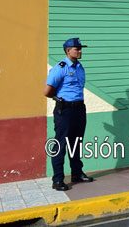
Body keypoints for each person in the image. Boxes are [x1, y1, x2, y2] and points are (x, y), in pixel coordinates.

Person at [44, 37, 94, 191]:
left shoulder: (79, 67)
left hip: (79, 109)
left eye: (80, 49)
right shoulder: (61, 67)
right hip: (65, 110)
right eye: (77, 49)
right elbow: (47, 91)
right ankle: (58, 179)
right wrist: (60, 100)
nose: (80, 51)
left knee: (76, 143)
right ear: (68, 51)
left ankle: (76, 174)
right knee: (61, 144)